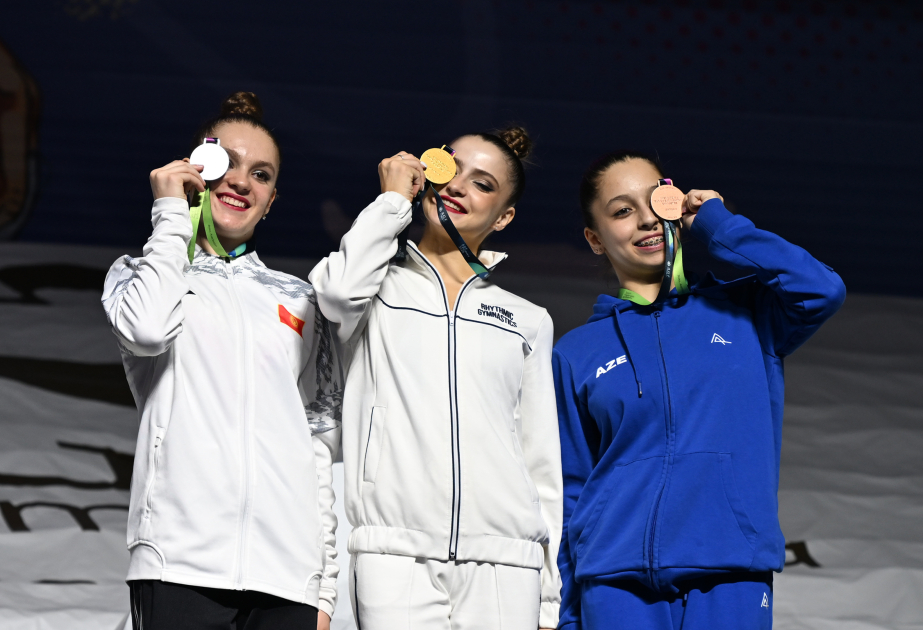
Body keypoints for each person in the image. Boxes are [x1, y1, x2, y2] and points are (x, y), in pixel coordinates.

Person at [553, 152, 846, 629]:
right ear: (595, 239)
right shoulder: (575, 353)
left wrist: (716, 224)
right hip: (612, 584)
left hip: (731, 571)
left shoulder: (748, 312)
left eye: (656, 201)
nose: (647, 219)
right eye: (623, 210)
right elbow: (569, 489)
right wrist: (566, 615)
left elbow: (821, 289)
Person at [101, 92, 341, 630]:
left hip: (288, 576)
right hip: (179, 562)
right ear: (195, 170)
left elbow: (317, 443)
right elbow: (145, 331)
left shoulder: (301, 298)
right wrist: (171, 214)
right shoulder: (142, 275)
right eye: (225, 163)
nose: (241, 182)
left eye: (261, 174)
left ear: (271, 200)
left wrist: (323, 587)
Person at [309, 128, 562, 630]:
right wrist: (391, 202)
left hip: (507, 561)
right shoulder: (373, 289)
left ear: (504, 216)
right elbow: (335, 294)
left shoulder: (528, 320)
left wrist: (548, 599)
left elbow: (541, 463)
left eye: (484, 184)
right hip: (392, 552)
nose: (460, 186)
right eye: (451, 169)